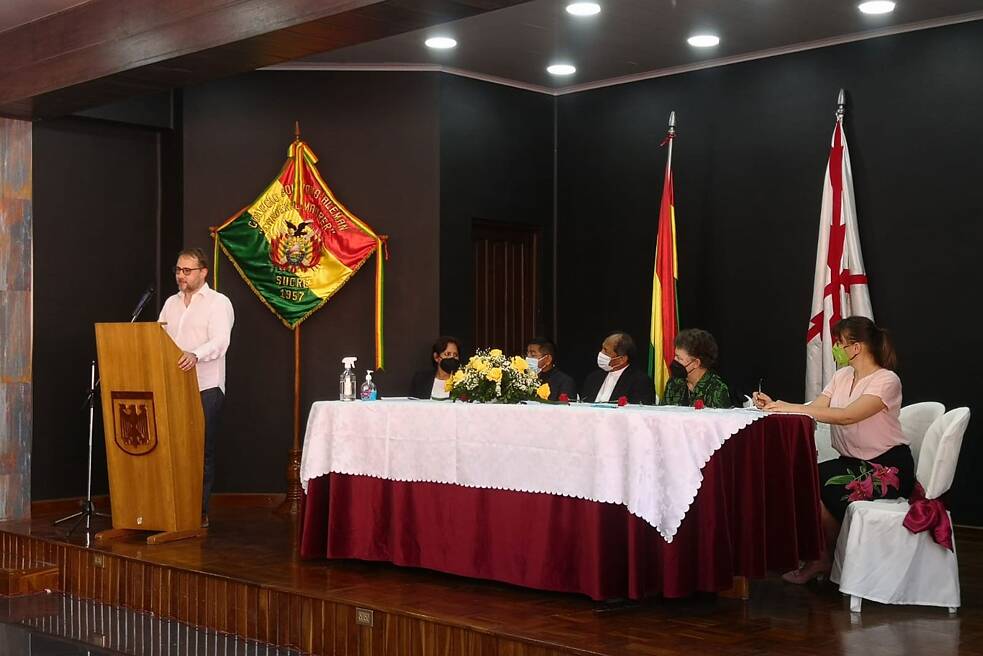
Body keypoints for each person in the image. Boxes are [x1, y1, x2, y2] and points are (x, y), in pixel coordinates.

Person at [753, 316, 912, 584]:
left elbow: (848, 416)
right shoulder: (841, 376)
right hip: (850, 462)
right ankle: (829, 553)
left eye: (840, 343)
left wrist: (787, 406)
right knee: (798, 479)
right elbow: (816, 408)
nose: (836, 348)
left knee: (819, 483)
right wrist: (776, 405)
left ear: (856, 347)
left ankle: (828, 555)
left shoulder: (886, 380)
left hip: (884, 467)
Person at [158, 248, 235, 529]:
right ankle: (169, 509)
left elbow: (220, 341)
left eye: (187, 271)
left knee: (200, 451)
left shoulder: (218, 303)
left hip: (206, 386)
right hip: (172, 387)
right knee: (172, 448)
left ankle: (197, 512)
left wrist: (195, 355)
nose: (181, 276)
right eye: (178, 270)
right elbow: (159, 337)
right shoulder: (171, 303)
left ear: (203, 272)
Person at [661, 328, 731, 408]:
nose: (674, 360)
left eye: (679, 358)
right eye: (675, 356)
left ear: (696, 363)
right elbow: (662, 413)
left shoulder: (716, 389)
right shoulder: (674, 383)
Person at [580, 331, 655, 405]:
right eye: (602, 348)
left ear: (622, 359)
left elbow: (637, 410)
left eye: (605, 350)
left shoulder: (640, 382)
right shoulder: (593, 378)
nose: (601, 353)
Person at [526, 337, 576, 401]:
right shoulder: (524, 378)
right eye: (527, 354)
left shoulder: (564, 382)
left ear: (548, 359)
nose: (528, 358)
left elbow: (566, 406)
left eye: (533, 355)